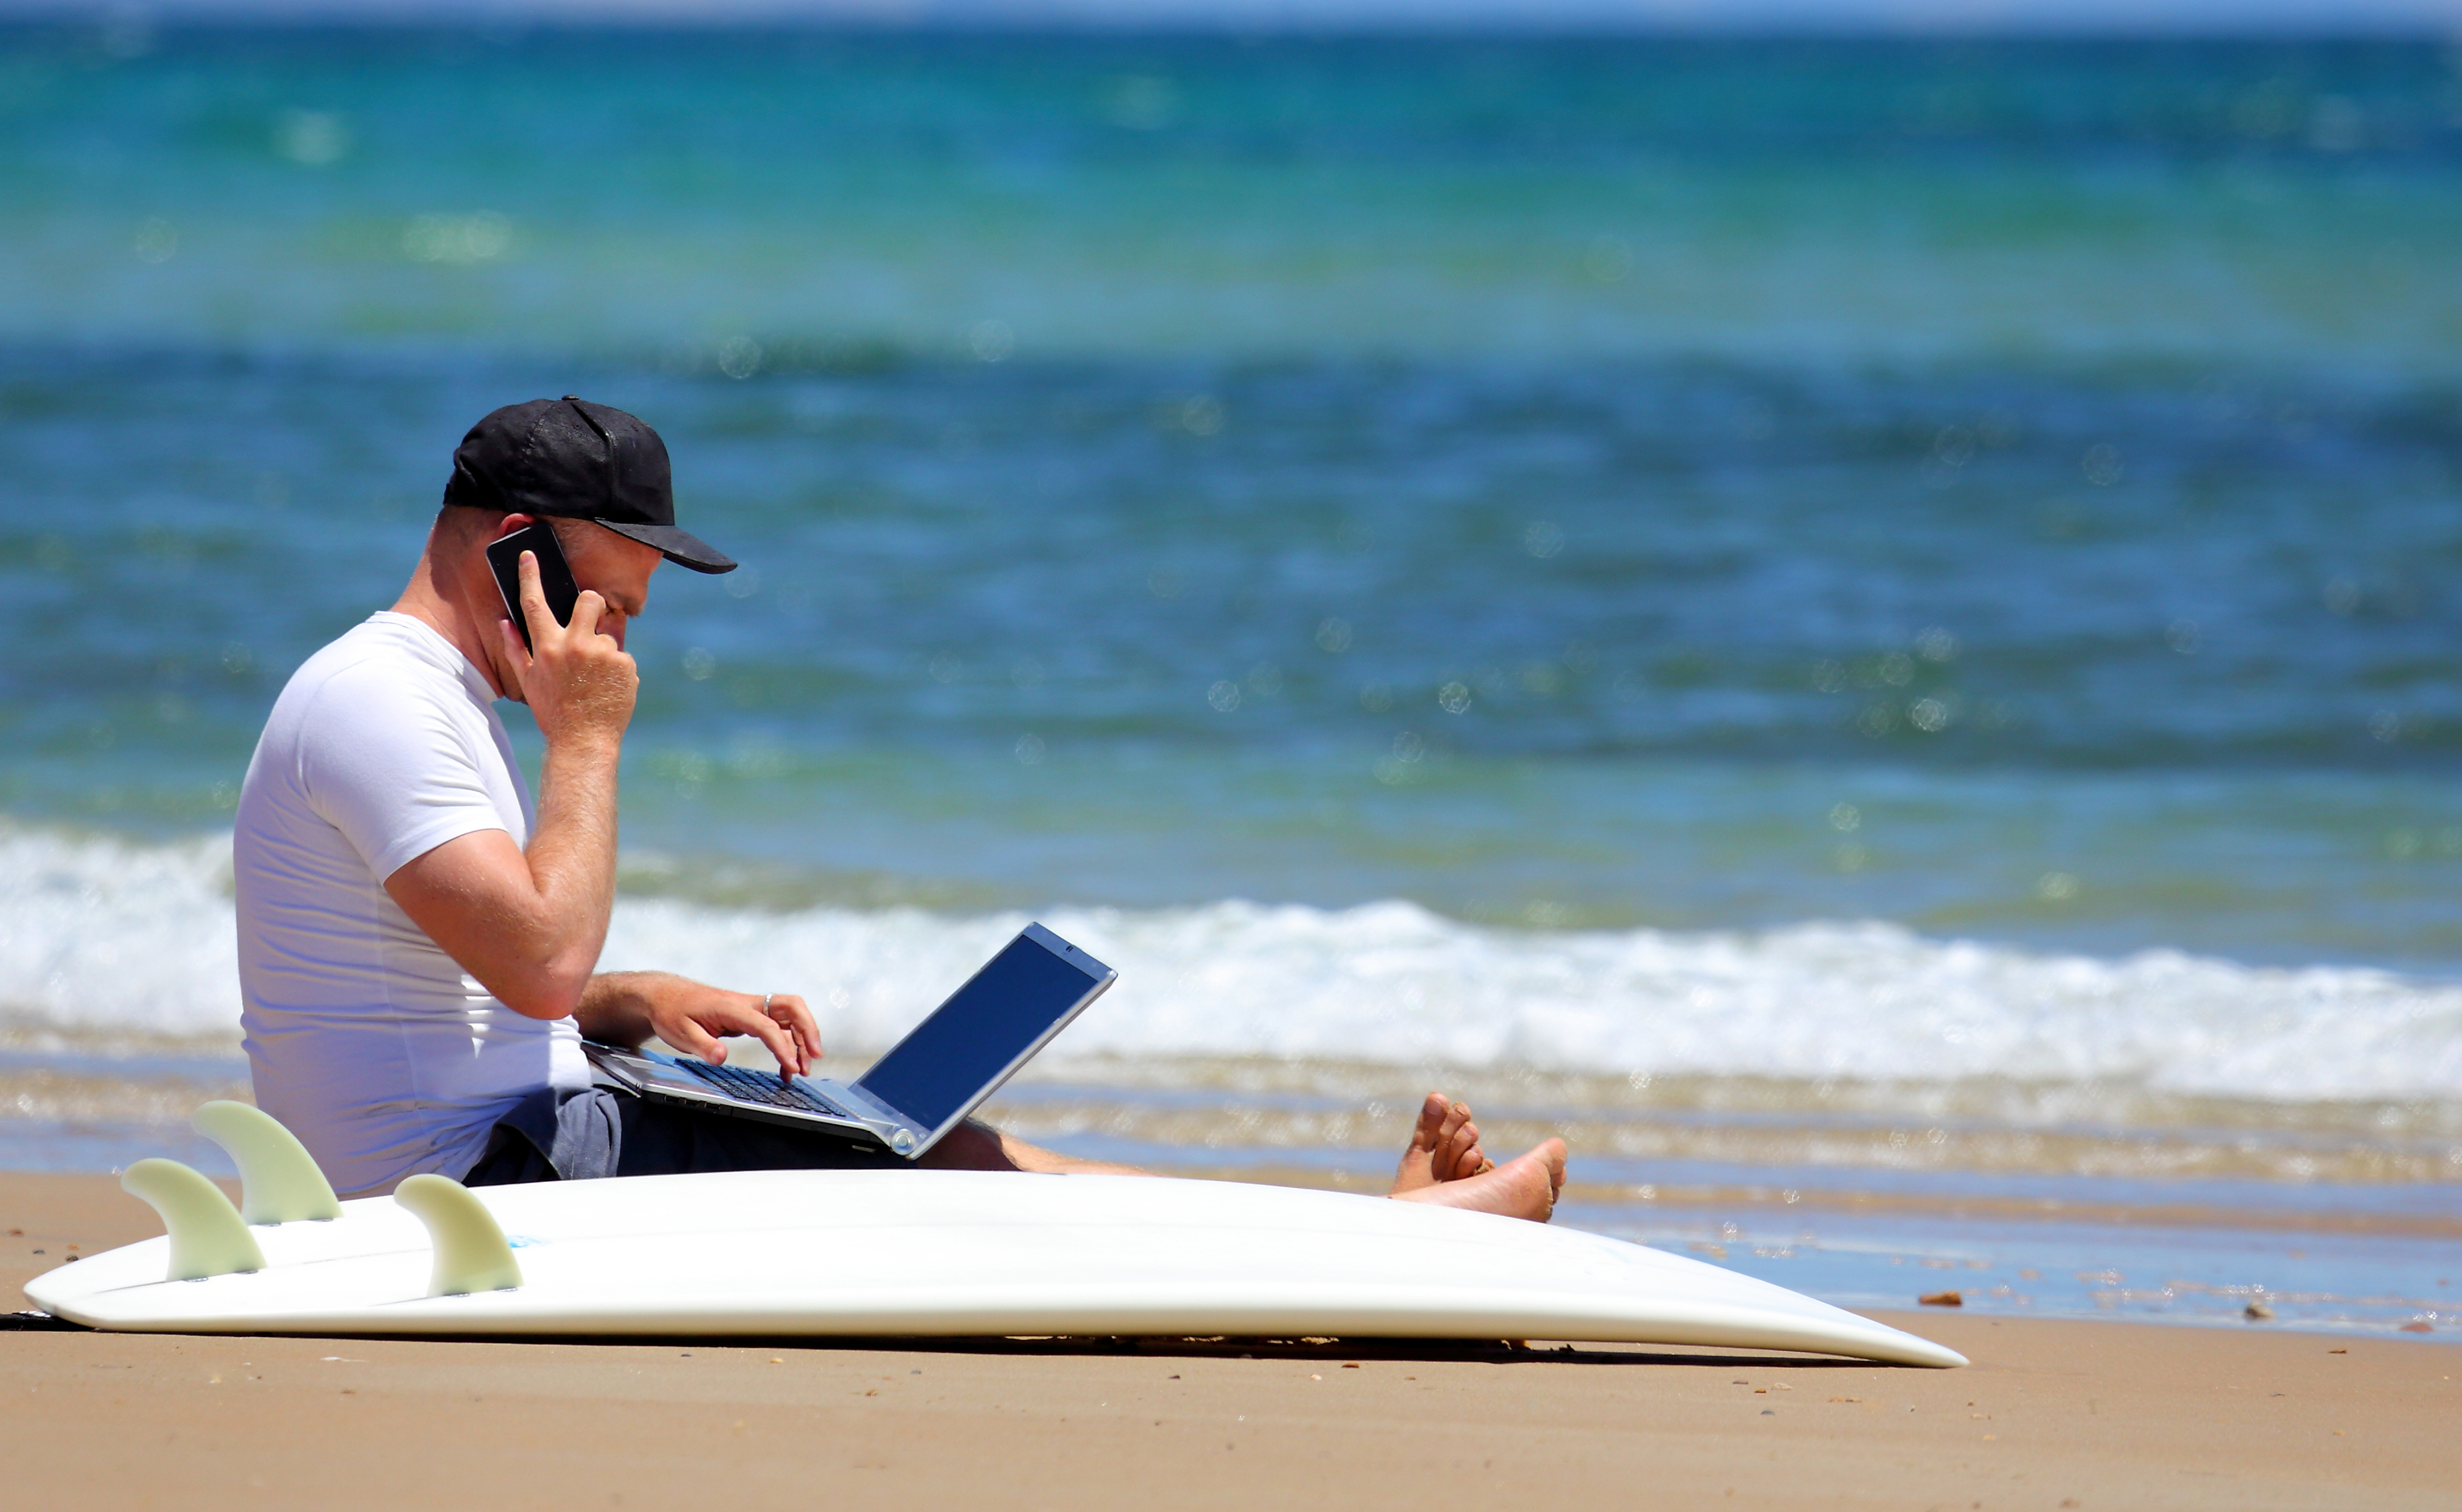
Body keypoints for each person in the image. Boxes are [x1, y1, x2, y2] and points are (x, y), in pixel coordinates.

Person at [232, 396, 1567, 1216]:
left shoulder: (429, 697)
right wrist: (587, 741)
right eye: (606, 605)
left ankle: (1343, 1238)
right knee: (946, 1175)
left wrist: (634, 1000)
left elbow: (437, 986)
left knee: (925, 1142)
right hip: (481, 1189)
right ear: (510, 545)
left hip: (517, 1137)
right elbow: (532, 960)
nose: (619, 648)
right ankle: (1366, 1247)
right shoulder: (386, 703)